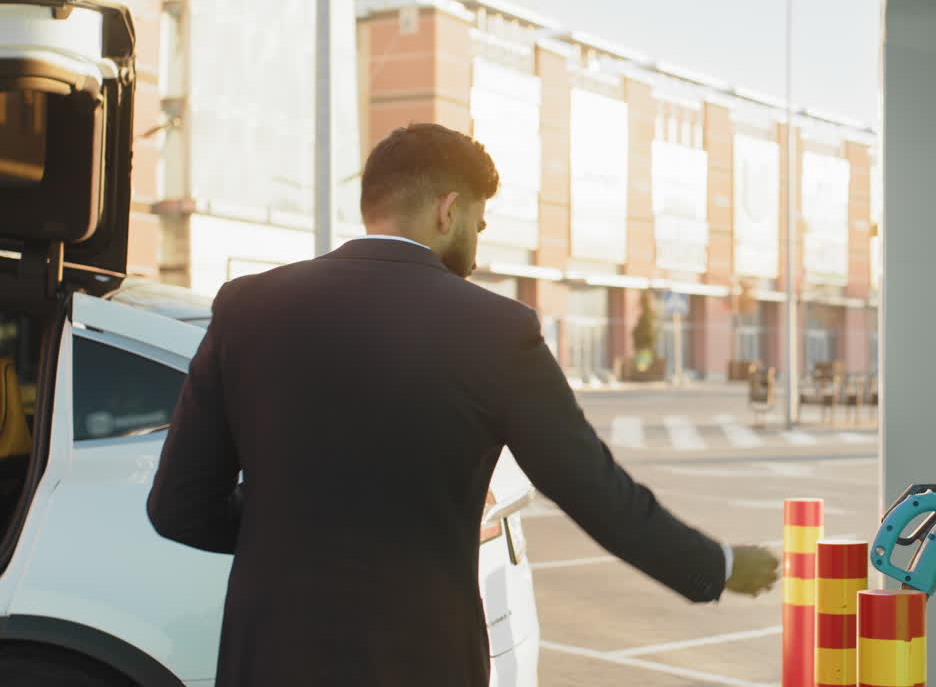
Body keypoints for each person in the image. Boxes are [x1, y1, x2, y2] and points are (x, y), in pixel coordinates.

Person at [147, 123, 780, 686]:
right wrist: (717, 566)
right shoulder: (495, 331)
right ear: (447, 211)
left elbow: (178, 507)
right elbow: (595, 491)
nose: (478, 243)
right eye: (478, 222)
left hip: (269, 657)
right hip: (420, 659)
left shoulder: (247, 306)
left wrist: (286, 525)